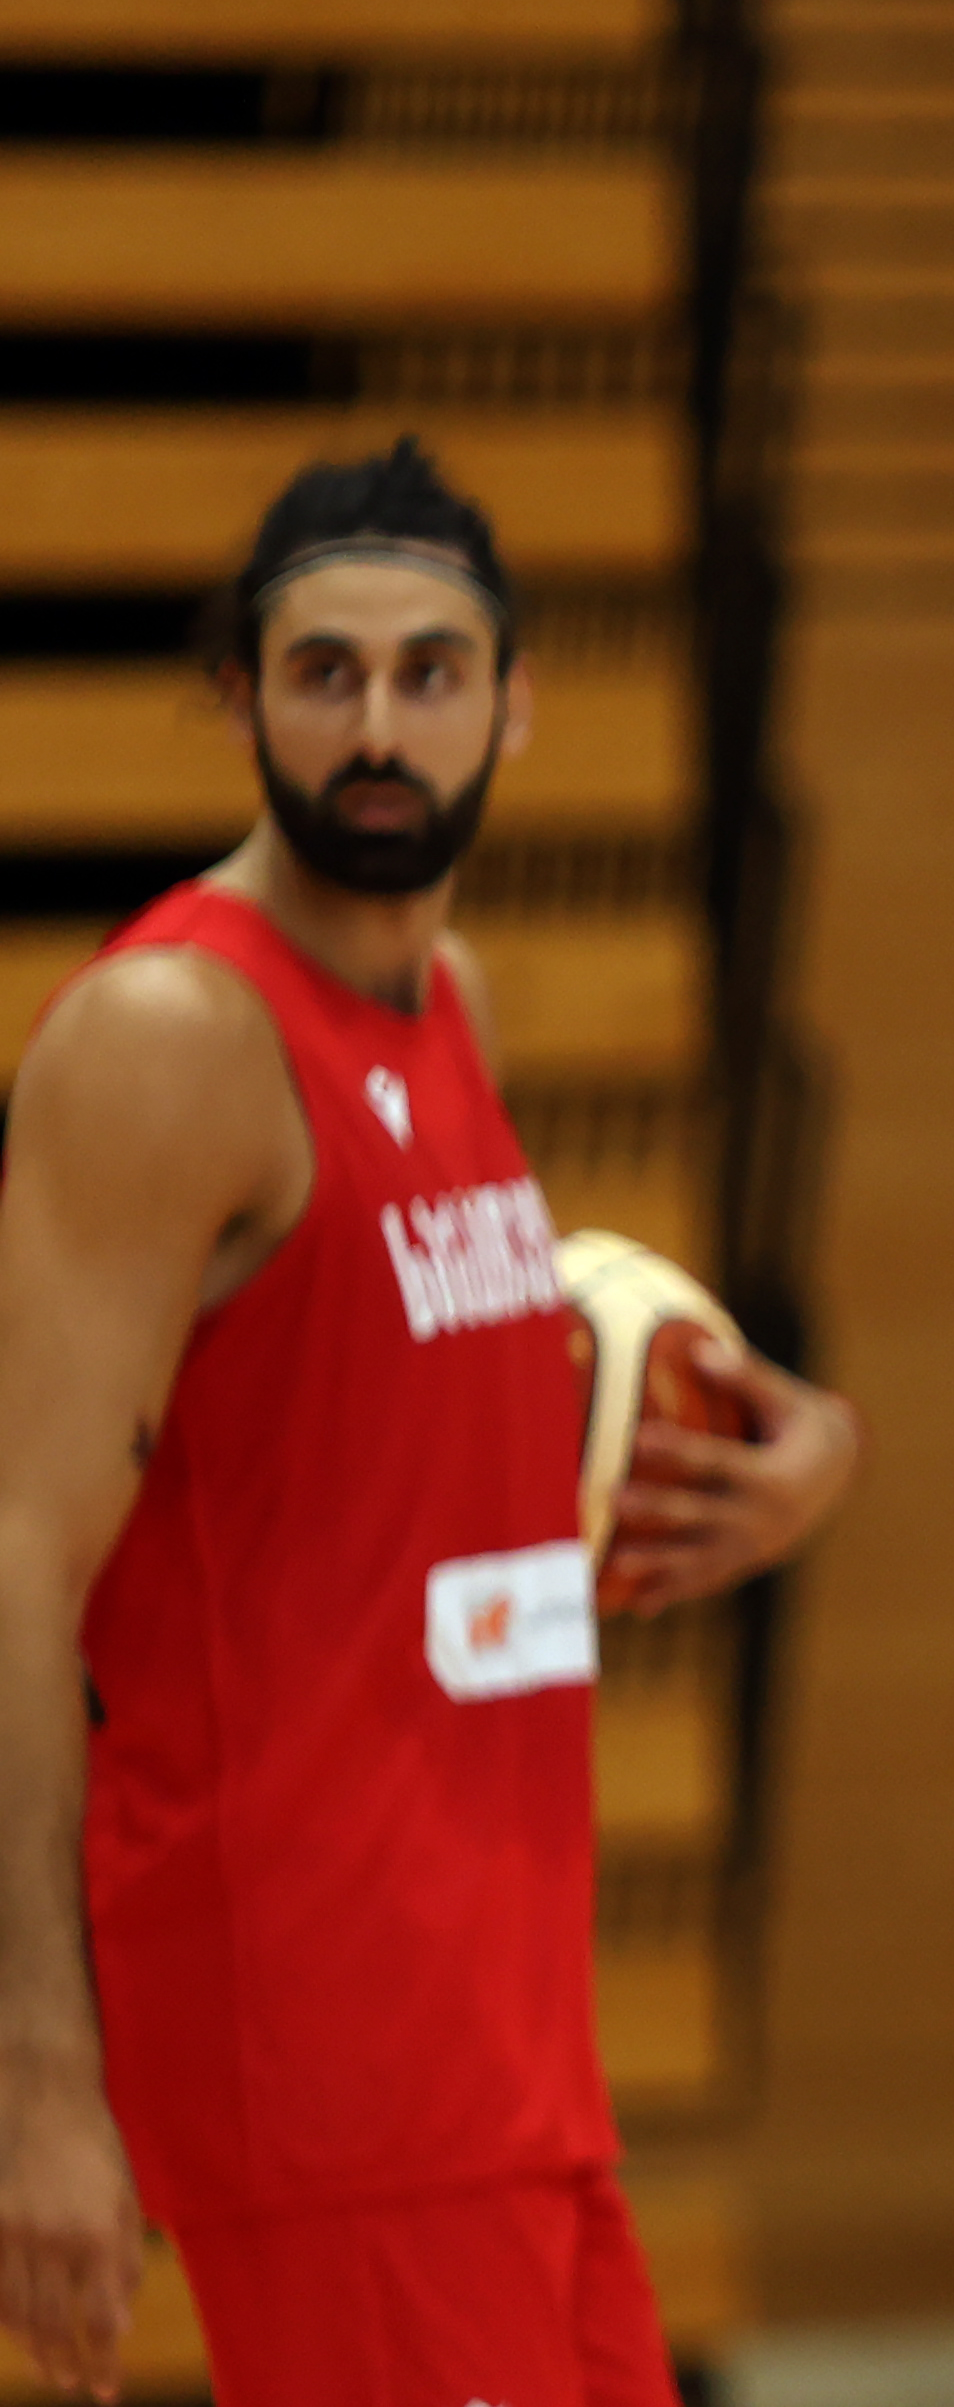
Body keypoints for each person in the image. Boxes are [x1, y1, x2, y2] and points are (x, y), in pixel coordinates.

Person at [0, 440, 862, 2403]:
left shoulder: (443, 999)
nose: (379, 726)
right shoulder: (170, 1040)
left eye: (429, 670)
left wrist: (795, 1446)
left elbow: (405, 1420)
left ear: (515, 701)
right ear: (241, 697)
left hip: (507, 2057)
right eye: (325, 673)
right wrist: (36, 2078)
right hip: (327, 2070)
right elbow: (16, 1563)